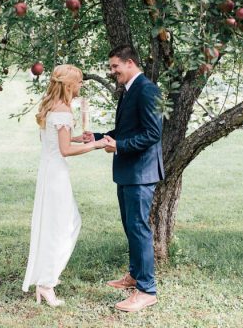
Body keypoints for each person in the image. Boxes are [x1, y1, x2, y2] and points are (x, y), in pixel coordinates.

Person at [84, 45, 164, 312]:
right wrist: (96, 137)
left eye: (115, 66)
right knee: (131, 226)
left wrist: (118, 146)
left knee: (139, 228)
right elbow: (125, 130)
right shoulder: (130, 90)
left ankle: (147, 290)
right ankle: (134, 275)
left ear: (130, 63)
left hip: (141, 172)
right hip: (129, 171)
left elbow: (153, 133)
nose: (112, 71)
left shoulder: (147, 90)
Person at [22, 64, 109, 307]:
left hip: (49, 172)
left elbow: (56, 139)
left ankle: (46, 281)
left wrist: (76, 137)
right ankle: (46, 283)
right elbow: (65, 150)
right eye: (79, 82)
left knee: (59, 224)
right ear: (69, 85)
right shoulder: (63, 111)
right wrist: (95, 145)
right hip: (56, 175)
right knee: (64, 226)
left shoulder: (53, 107)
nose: (81, 85)